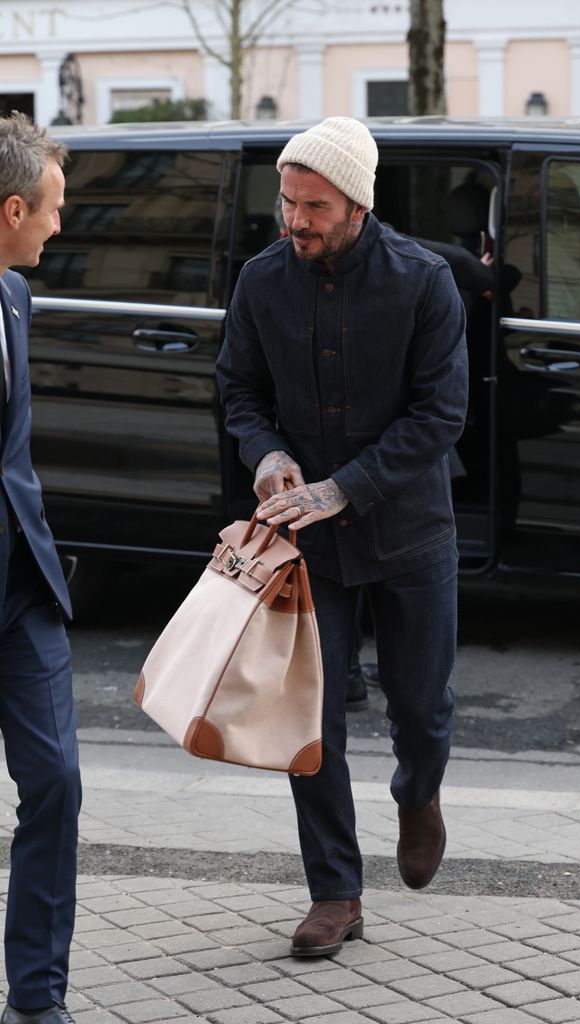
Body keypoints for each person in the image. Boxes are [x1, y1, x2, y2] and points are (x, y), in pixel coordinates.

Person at [216, 117, 467, 958]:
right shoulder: (261, 280)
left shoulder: (423, 282)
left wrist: (342, 489)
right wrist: (266, 455)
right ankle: (335, 892)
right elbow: (238, 391)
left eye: (313, 206)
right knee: (308, 722)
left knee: (421, 707)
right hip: (306, 549)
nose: (295, 220)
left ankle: (418, 793)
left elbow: (440, 415)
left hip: (409, 533)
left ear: (358, 205)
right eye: (286, 202)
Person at [0, 113, 80, 1024]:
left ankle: (37, 999)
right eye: (53, 209)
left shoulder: (16, 297)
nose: (60, 226)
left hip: (24, 589)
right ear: (13, 210)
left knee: (56, 780)